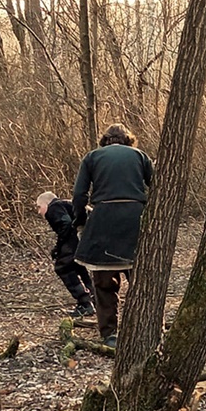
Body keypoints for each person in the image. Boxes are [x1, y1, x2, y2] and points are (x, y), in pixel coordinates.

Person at [72, 123, 153, 349]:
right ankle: (146, 331)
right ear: (129, 140)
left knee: (104, 283)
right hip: (135, 220)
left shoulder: (92, 157)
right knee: (142, 280)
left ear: (105, 140)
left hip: (104, 220)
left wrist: (79, 221)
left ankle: (110, 334)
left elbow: (79, 194)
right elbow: (158, 186)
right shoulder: (140, 156)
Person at [35, 191, 94, 318]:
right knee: (78, 266)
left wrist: (59, 247)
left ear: (46, 203)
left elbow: (66, 224)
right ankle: (95, 299)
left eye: (39, 207)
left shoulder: (54, 208)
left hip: (78, 238)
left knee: (63, 267)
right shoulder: (66, 204)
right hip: (90, 237)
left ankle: (85, 303)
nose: (39, 212)